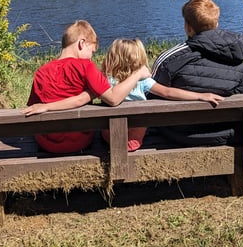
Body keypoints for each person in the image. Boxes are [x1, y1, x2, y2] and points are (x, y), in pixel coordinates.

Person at [22, 20, 151, 154]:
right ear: (81, 43)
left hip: (47, 143)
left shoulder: (41, 71)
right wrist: (137, 74)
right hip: (78, 142)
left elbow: (34, 106)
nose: (91, 57)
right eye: (92, 51)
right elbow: (113, 99)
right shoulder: (86, 66)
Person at [149, 0, 243, 146]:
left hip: (175, 135)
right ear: (216, 24)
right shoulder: (239, 62)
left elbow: (151, 98)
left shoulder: (169, 60)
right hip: (225, 134)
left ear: (188, 27)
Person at [101, 38, 224, 152]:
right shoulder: (142, 81)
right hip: (134, 140)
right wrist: (200, 96)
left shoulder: (106, 80)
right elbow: (168, 92)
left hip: (110, 138)